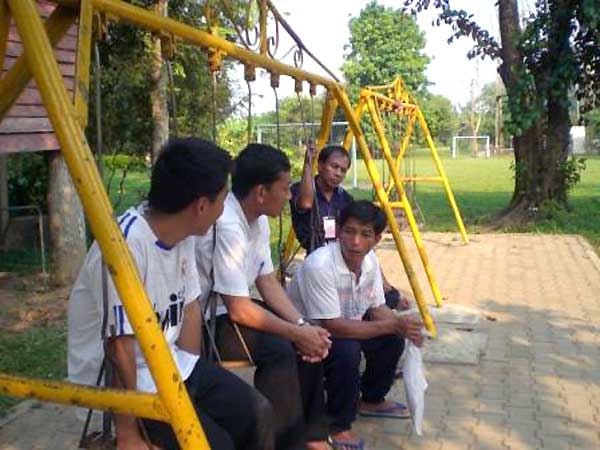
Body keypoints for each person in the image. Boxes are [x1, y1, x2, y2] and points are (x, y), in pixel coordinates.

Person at [68, 138, 274, 450]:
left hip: (169, 367)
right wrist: (128, 436)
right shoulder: (123, 247)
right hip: (125, 387)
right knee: (213, 444)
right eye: (223, 200)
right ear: (201, 206)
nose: (224, 210)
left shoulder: (183, 234)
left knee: (257, 413)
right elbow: (119, 348)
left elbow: (189, 309)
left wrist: (192, 381)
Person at [195, 143, 332, 450]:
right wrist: (295, 333)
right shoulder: (227, 225)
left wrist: (301, 325)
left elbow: (267, 281)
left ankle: (313, 435)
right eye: (284, 189)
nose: (289, 196)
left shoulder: (258, 220)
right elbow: (239, 310)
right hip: (204, 322)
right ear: (260, 192)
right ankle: (285, 443)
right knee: (279, 348)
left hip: (231, 310)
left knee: (309, 335)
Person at [288, 201, 425, 450]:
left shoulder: (370, 262)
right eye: (349, 232)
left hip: (344, 327)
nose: (355, 242)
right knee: (347, 350)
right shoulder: (319, 265)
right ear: (339, 231)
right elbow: (333, 325)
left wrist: (405, 327)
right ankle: (337, 424)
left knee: (392, 338)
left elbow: (376, 307)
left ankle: (371, 400)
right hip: (306, 335)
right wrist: (394, 325)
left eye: (365, 234)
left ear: (377, 239)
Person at [290, 144, 409, 310]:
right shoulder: (303, 189)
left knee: (368, 256)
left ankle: (385, 292)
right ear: (320, 166)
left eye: (343, 170)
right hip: (319, 255)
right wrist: (308, 165)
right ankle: (383, 298)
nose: (338, 173)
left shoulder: (344, 198)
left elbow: (357, 230)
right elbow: (306, 203)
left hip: (342, 251)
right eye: (334, 167)